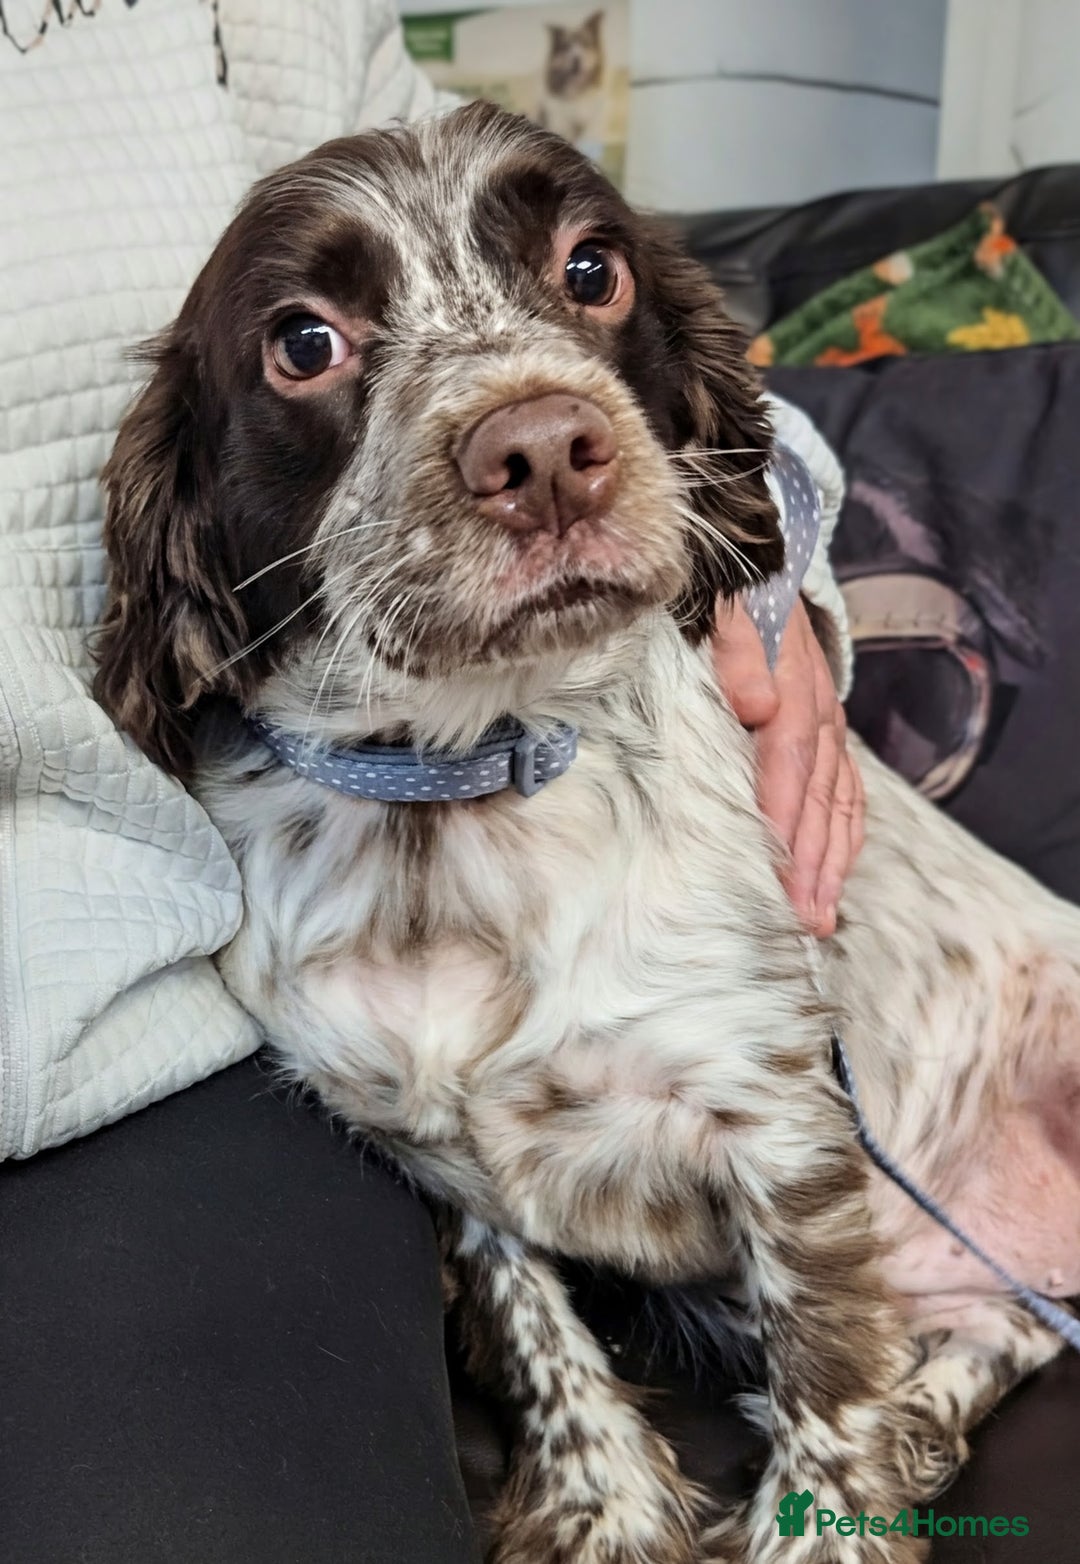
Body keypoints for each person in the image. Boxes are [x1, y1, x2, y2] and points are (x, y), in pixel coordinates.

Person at [0, 3, 860, 1560]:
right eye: (312, 344)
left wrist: (773, 576)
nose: (530, 431)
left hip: (188, 964)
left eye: (577, 279)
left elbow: (656, 357)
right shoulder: (184, 542)